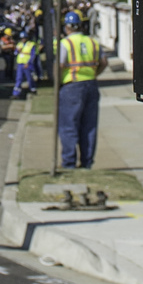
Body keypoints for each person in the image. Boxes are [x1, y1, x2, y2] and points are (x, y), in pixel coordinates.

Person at [57, 10, 101, 170]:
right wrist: (94, 73)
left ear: (67, 27)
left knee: (69, 125)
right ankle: (87, 162)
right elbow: (103, 62)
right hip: (91, 85)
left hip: (72, 86)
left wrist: (58, 81)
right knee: (89, 126)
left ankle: (69, 162)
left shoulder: (65, 43)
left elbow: (61, 65)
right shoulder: (93, 41)